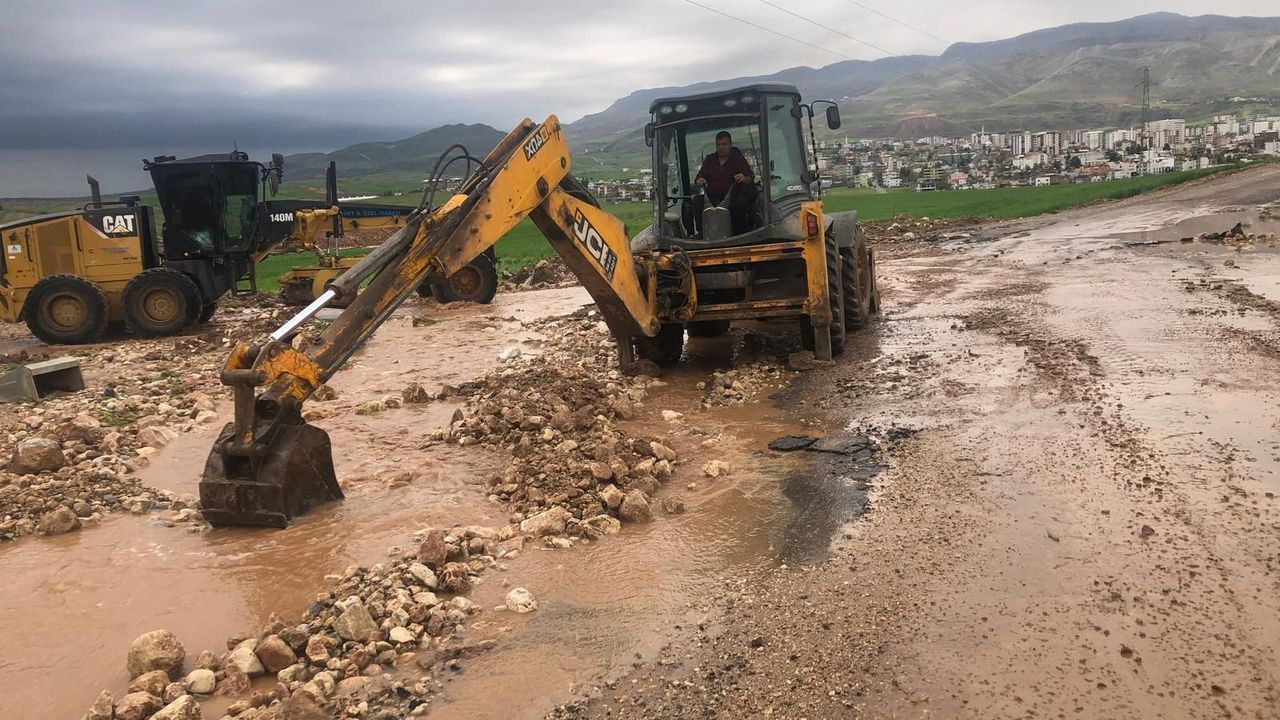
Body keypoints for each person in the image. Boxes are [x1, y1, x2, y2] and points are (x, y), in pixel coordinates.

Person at [695, 131, 758, 234]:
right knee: (697, 201)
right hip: (712, 199)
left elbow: (749, 177)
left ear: (730, 145)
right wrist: (700, 180)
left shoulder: (737, 158)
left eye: (724, 144)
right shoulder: (710, 160)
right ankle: (703, 233)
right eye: (718, 145)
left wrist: (743, 178)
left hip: (732, 199)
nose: (721, 147)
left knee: (741, 202)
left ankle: (738, 233)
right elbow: (699, 177)